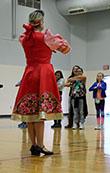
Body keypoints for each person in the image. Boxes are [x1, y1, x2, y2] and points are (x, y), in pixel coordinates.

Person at [11, 10, 71, 155]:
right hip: (43, 73)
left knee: (30, 113)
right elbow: (66, 49)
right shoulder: (47, 38)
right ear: (42, 22)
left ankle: (34, 145)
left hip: (30, 73)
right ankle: (41, 145)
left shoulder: (23, 38)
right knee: (40, 113)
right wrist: (54, 43)